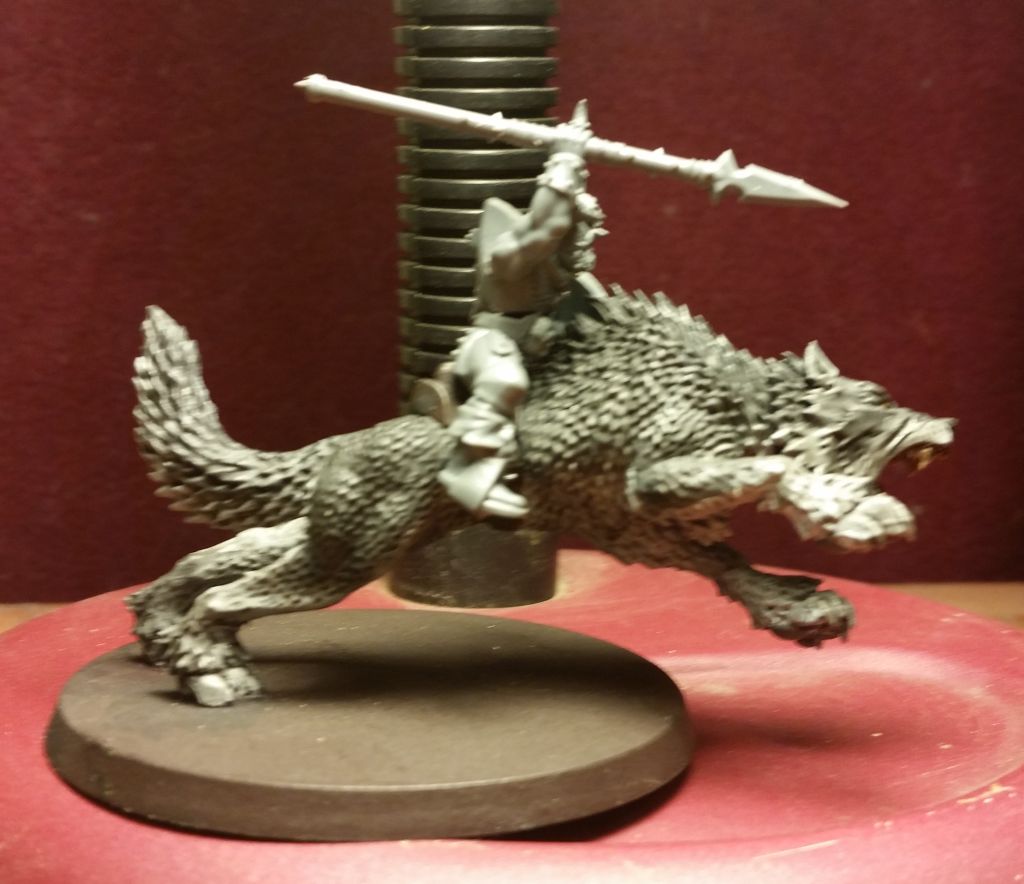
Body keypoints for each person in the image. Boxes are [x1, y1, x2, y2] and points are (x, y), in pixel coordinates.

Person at [438, 102, 608, 519]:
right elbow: (543, 228)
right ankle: (467, 470)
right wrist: (566, 160)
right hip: (492, 344)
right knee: (504, 379)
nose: (584, 240)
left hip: (540, 353)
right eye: (577, 231)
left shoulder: (570, 280)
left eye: (588, 231)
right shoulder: (508, 258)